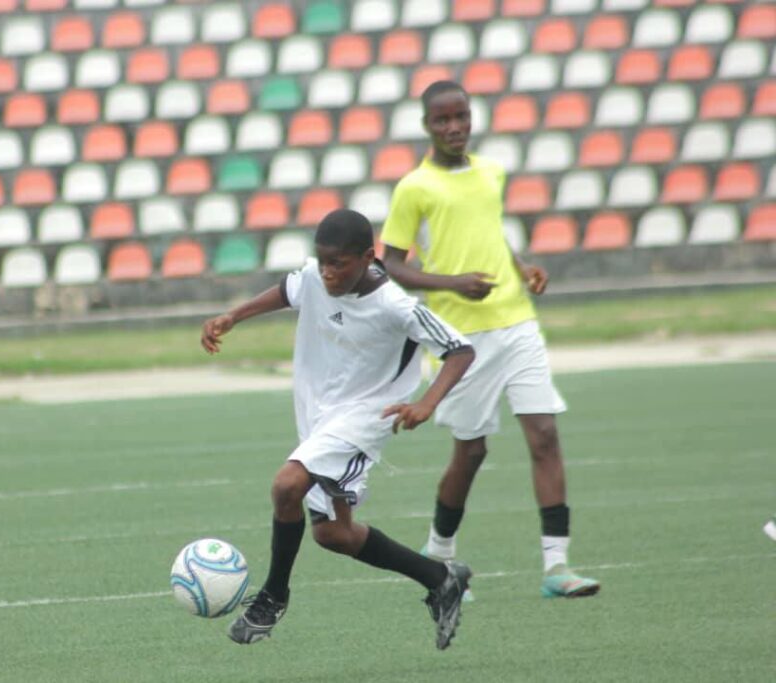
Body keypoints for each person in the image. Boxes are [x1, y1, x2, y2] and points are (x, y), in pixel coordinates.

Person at [200, 209, 476, 649]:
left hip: (366, 416)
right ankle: (441, 579)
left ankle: (273, 596)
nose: (327, 273)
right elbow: (289, 290)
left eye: (339, 264)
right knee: (333, 534)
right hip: (319, 414)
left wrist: (427, 403)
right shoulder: (315, 275)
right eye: (322, 261)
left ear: (368, 257)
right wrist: (233, 317)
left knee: (286, 485)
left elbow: (460, 349)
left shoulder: (395, 305)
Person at [379, 80, 601, 599]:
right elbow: (389, 263)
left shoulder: (490, 172)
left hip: (517, 321)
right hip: (463, 339)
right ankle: (438, 555)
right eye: (442, 120)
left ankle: (556, 567)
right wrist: (453, 284)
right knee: (471, 452)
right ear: (426, 126)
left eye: (461, 116)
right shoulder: (414, 187)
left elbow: (490, 231)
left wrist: (521, 268)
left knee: (544, 434)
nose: (454, 127)